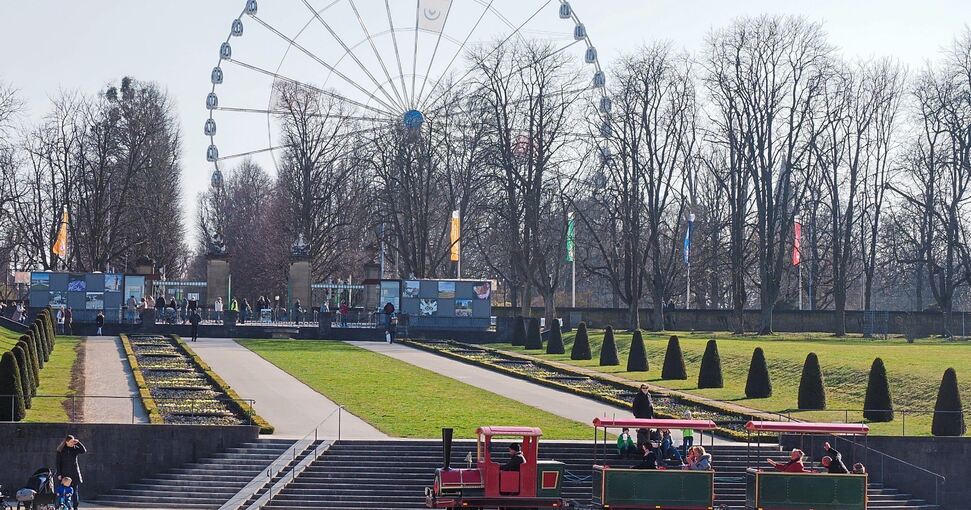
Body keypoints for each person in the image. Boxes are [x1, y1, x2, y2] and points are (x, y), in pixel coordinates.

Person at [56, 435, 85, 509]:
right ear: (66, 442)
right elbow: (58, 463)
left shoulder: (75, 449)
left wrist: (78, 443)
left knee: (75, 492)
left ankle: (75, 507)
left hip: (74, 473)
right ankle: (62, 506)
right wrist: (59, 474)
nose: (72, 443)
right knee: (62, 492)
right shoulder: (60, 450)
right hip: (64, 474)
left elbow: (83, 451)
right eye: (71, 442)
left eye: (73, 441)